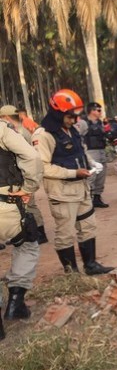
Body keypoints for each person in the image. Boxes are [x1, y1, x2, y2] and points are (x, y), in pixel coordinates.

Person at [32, 89, 113, 275]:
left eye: (76, 116)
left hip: (82, 189)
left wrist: (92, 163)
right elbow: (42, 167)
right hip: (62, 193)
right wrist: (73, 173)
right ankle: (72, 274)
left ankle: (91, 265)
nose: (76, 121)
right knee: (65, 233)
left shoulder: (72, 129)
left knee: (88, 227)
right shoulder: (43, 135)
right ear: (58, 113)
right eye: (71, 117)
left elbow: (81, 152)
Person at [0, 113, 43, 339]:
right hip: (5, 206)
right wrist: (29, 187)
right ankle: (15, 301)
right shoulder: (2, 129)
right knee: (28, 244)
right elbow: (32, 158)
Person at [0, 105, 49, 244]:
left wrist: (27, 186)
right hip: (22, 176)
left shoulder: (14, 131)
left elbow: (27, 157)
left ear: (6, 117)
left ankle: (37, 233)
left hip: (21, 178)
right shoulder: (21, 130)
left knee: (29, 206)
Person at [76, 102, 109, 208]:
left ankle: (97, 198)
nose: (100, 112)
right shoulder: (83, 123)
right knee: (91, 176)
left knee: (101, 176)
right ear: (92, 111)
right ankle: (88, 200)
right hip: (90, 152)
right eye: (98, 110)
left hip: (101, 151)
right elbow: (77, 137)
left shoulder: (100, 122)